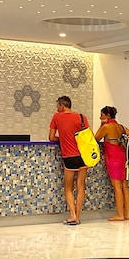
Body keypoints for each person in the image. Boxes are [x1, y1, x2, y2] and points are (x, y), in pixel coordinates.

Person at [93, 105, 129, 221]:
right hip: (122, 156)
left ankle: (120, 214)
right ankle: (127, 214)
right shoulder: (120, 127)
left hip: (113, 157)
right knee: (124, 186)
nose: (100, 117)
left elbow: (95, 139)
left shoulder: (106, 127)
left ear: (107, 116)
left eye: (101, 115)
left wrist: (101, 125)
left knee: (117, 187)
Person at [49, 96, 89, 225]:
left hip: (69, 156)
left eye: (58, 105)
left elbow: (51, 137)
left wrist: (63, 139)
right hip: (84, 155)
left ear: (62, 105)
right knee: (80, 186)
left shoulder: (57, 117)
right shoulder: (82, 117)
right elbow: (88, 136)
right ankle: (77, 216)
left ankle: (72, 216)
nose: (57, 108)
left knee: (68, 188)